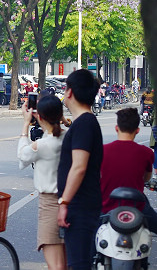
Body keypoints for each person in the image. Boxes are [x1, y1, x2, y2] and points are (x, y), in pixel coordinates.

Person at [100, 107, 157, 259]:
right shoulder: (145, 153)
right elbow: (146, 178)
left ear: (116, 128)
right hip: (137, 208)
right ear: (137, 131)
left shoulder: (103, 151)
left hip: (106, 207)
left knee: (88, 239)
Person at [56, 69, 104, 270]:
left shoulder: (84, 123)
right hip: (83, 204)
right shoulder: (84, 122)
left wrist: (64, 202)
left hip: (80, 206)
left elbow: (79, 167)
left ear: (69, 92)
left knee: (79, 264)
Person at [18, 95, 67, 270]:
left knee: (56, 265)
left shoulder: (43, 145)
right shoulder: (68, 137)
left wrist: (25, 124)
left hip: (50, 204)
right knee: (67, 261)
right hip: (72, 201)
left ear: (40, 117)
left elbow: (23, 157)